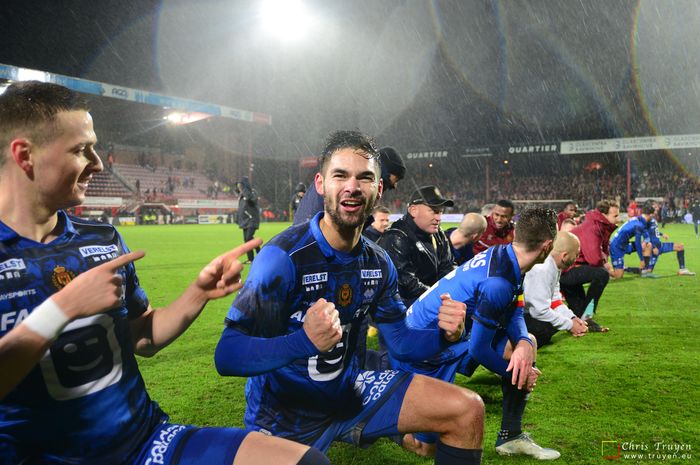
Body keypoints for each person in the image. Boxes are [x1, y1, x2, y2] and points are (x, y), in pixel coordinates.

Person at [0, 81, 329, 465]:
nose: (98, 162)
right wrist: (63, 308)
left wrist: (197, 294)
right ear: (25, 156)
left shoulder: (102, 238)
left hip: (145, 444)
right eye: (80, 150)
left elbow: (143, 337)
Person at [215, 130, 486, 465]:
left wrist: (444, 335)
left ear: (379, 189)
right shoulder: (282, 258)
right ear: (320, 184)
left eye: (365, 177)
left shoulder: (377, 262)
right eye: (340, 175)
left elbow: (400, 342)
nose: (353, 187)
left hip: (353, 391)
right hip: (287, 416)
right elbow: (227, 355)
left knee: (467, 409)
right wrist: (303, 341)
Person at [393, 207, 560, 460]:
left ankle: (510, 436)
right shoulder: (498, 281)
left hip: (452, 334)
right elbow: (478, 350)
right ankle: (375, 424)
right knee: (427, 448)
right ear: (547, 246)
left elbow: (516, 310)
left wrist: (524, 341)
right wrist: (518, 375)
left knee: (527, 345)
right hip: (422, 348)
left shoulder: (506, 255)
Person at [378, 185, 455, 307]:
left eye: (441, 212)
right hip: (401, 310)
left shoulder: (438, 234)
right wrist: (439, 297)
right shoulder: (396, 237)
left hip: (432, 301)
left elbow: (447, 266)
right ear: (413, 210)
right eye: (434, 211)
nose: (439, 218)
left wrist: (452, 291)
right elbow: (406, 285)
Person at [292, 146, 406, 225]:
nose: (395, 185)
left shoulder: (348, 169)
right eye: (397, 178)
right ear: (387, 171)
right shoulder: (355, 183)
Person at [560, 200, 619, 332]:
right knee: (602, 274)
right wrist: (605, 263)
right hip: (567, 272)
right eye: (615, 215)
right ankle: (587, 315)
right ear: (604, 215)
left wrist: (603, 259)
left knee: (579, 315)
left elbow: (602, 252)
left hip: (567, 273)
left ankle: (585, 321)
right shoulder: (593, 227)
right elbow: (594, 259)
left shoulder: (599, 226)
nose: (618, 219)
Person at [523, 231, 588, 346]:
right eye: (576, 254)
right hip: (503, 314)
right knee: (545, 326)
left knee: (553, 323)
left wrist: (572, 318)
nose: (577, 258)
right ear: (564, 256)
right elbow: (539, 311)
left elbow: (555, 301)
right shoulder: (542, 269)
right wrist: (569, 325)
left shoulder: (553, 265)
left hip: (521, 311)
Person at [609, 201, 657, 279]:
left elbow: (647, 236)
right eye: (653, 215)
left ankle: (645, 272)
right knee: (618, 276)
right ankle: (603, 270)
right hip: (616, 247)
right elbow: (638, 244)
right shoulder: (638, 225)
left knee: (648, 245)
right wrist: (641, 260)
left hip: (625, 245)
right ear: (651, 215)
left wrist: (646, 241)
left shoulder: (639, 220)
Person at [236, 176, 261, 263]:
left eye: (240, 185)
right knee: (247, 240)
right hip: (244, 220)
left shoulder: (252, 192)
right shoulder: (241, 195)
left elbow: (253, 200)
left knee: (248, 238)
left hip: (252, 219)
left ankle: (259, 253)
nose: (239, 187)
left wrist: (246, 192)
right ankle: (251, 259)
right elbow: (241, 208)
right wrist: (238, 218)